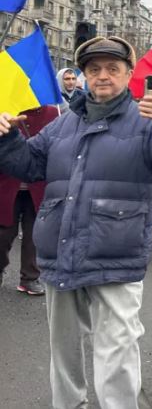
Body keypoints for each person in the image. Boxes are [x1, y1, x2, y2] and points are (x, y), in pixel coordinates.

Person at [0, 36, 152, 408]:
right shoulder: (63, 125)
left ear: (129, 74)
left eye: (113, 68)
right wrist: (6, 139)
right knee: (63, 353)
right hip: (61, 251)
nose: (103, 76)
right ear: (83, 75)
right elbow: (28, 165)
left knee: (117, 353)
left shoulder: (148, 120)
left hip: (116, 255)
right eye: (94, 69)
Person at [0, 105, 59, 295]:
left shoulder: (53, 113)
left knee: (34, 235)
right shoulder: (5, 110)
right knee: (3, 235)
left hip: (38, 186)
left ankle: (30, 277)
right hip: (7, 185)